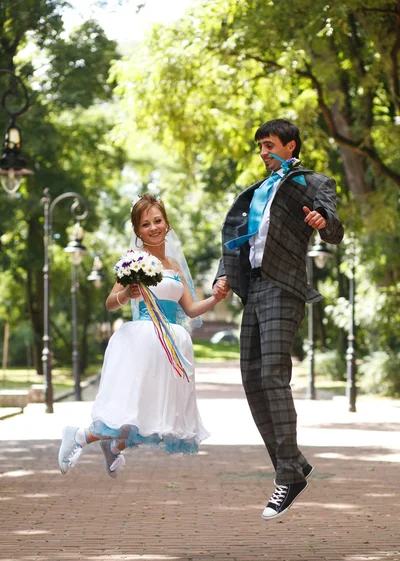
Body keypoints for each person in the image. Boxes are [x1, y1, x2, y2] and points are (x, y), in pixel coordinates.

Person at [213, 119, 344, 520]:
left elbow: (334, 227)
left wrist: (323, 222)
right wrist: (223, 272)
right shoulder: (254, 193)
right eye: (259, 147)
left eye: (269, 145)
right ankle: (292, 465)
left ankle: (288, 474)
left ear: (290, 145)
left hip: (283, 287)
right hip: (252, 289)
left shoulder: (313, 182)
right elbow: (239, 238)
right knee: (252, 380)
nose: (264, 152)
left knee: (272, 373)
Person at [58, 194, 226, 477]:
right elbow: (111, 302)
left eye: (157, 221)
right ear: (138, 231)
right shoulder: (134, 262)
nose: (153, 227)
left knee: (152, 410)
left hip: (172, 343)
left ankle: (115, 445)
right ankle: (79, 435)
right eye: (145, 224)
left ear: (167, 224)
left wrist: (215, 298)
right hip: (143, 342)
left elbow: (191, 309)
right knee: (133, 404)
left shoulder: (174, 267)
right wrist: (126, 293)